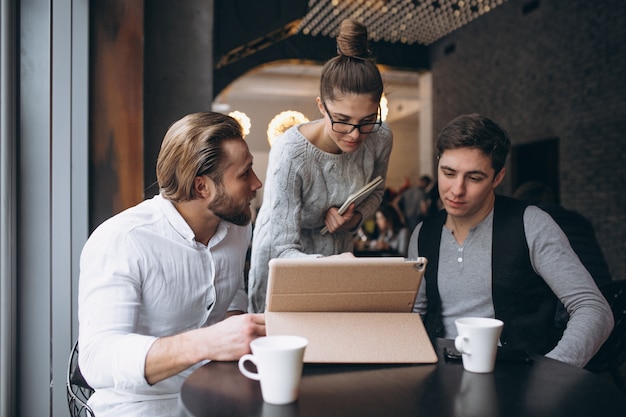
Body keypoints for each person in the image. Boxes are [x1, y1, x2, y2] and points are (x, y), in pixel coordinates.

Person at [78, 112, 266, 416]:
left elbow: (233, 292)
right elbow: (96, 361)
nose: (257, 183)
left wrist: (236, 333)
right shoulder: (122, 240)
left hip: (218, 394)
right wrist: (208, 342)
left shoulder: (238, 225)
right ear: (201, 187)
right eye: (245, 174)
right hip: (138, 407)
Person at [408, 113, 613, 368]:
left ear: (498, 177)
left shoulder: (531, 224)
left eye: (474, 178)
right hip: (439, 378)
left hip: (519, 381)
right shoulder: (423, 233)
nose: (457, 189)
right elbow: (413, 316)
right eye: (448, 173)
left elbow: (594, 309)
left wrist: (554, 371)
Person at [248, 19, 393, 313]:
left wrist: (353, 220)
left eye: (367, 120)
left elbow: (376, 192)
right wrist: (333, 263)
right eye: (342, 120)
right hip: (285, 267)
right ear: (321, 106)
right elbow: (281, 249)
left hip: (339, 259)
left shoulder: (380, 138)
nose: (355, 134)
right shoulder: (291, 153)